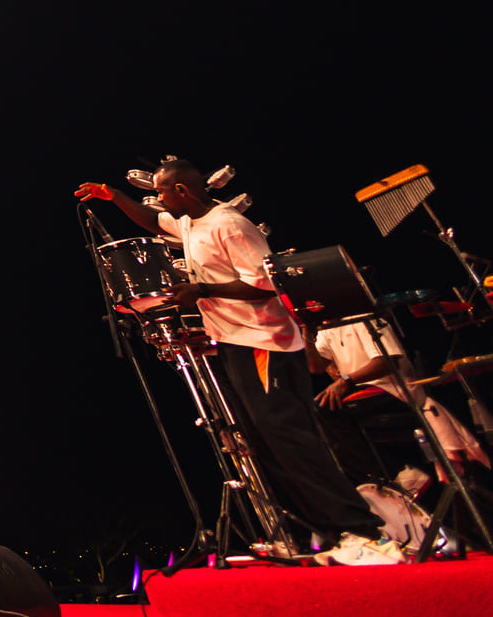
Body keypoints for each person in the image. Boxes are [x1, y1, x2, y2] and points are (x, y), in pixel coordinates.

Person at [77, 158, 399, 565]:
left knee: (290, 440)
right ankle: (324, 532)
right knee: (260, 443)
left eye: (161, 191)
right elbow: (153, 222)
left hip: (267, 343)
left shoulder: (230, 225)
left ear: (182, 191)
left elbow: (265, 285)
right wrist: (114, 196)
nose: (156, 198)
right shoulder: (191, 223)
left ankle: (366, 532)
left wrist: (202, 290)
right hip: (234, 342)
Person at [308, 318, 488, 480]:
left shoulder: (364, 319)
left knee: (324, 410)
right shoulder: (326, 329)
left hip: (393, 388)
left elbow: (387, 362)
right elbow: (315, 367)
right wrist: (306, 336)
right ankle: (377, 477)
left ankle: (393, 473)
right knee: (316, 410)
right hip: (363, 392)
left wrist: (346, 380)